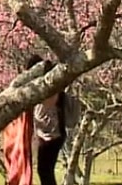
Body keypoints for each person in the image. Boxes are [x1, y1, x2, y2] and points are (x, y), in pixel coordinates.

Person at [26, 55, 79, 185]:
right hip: (47, 134)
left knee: (44, 171)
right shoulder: (46, 85)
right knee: (45, 171)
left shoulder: (49, 86)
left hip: (52, 135)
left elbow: (48, 102)